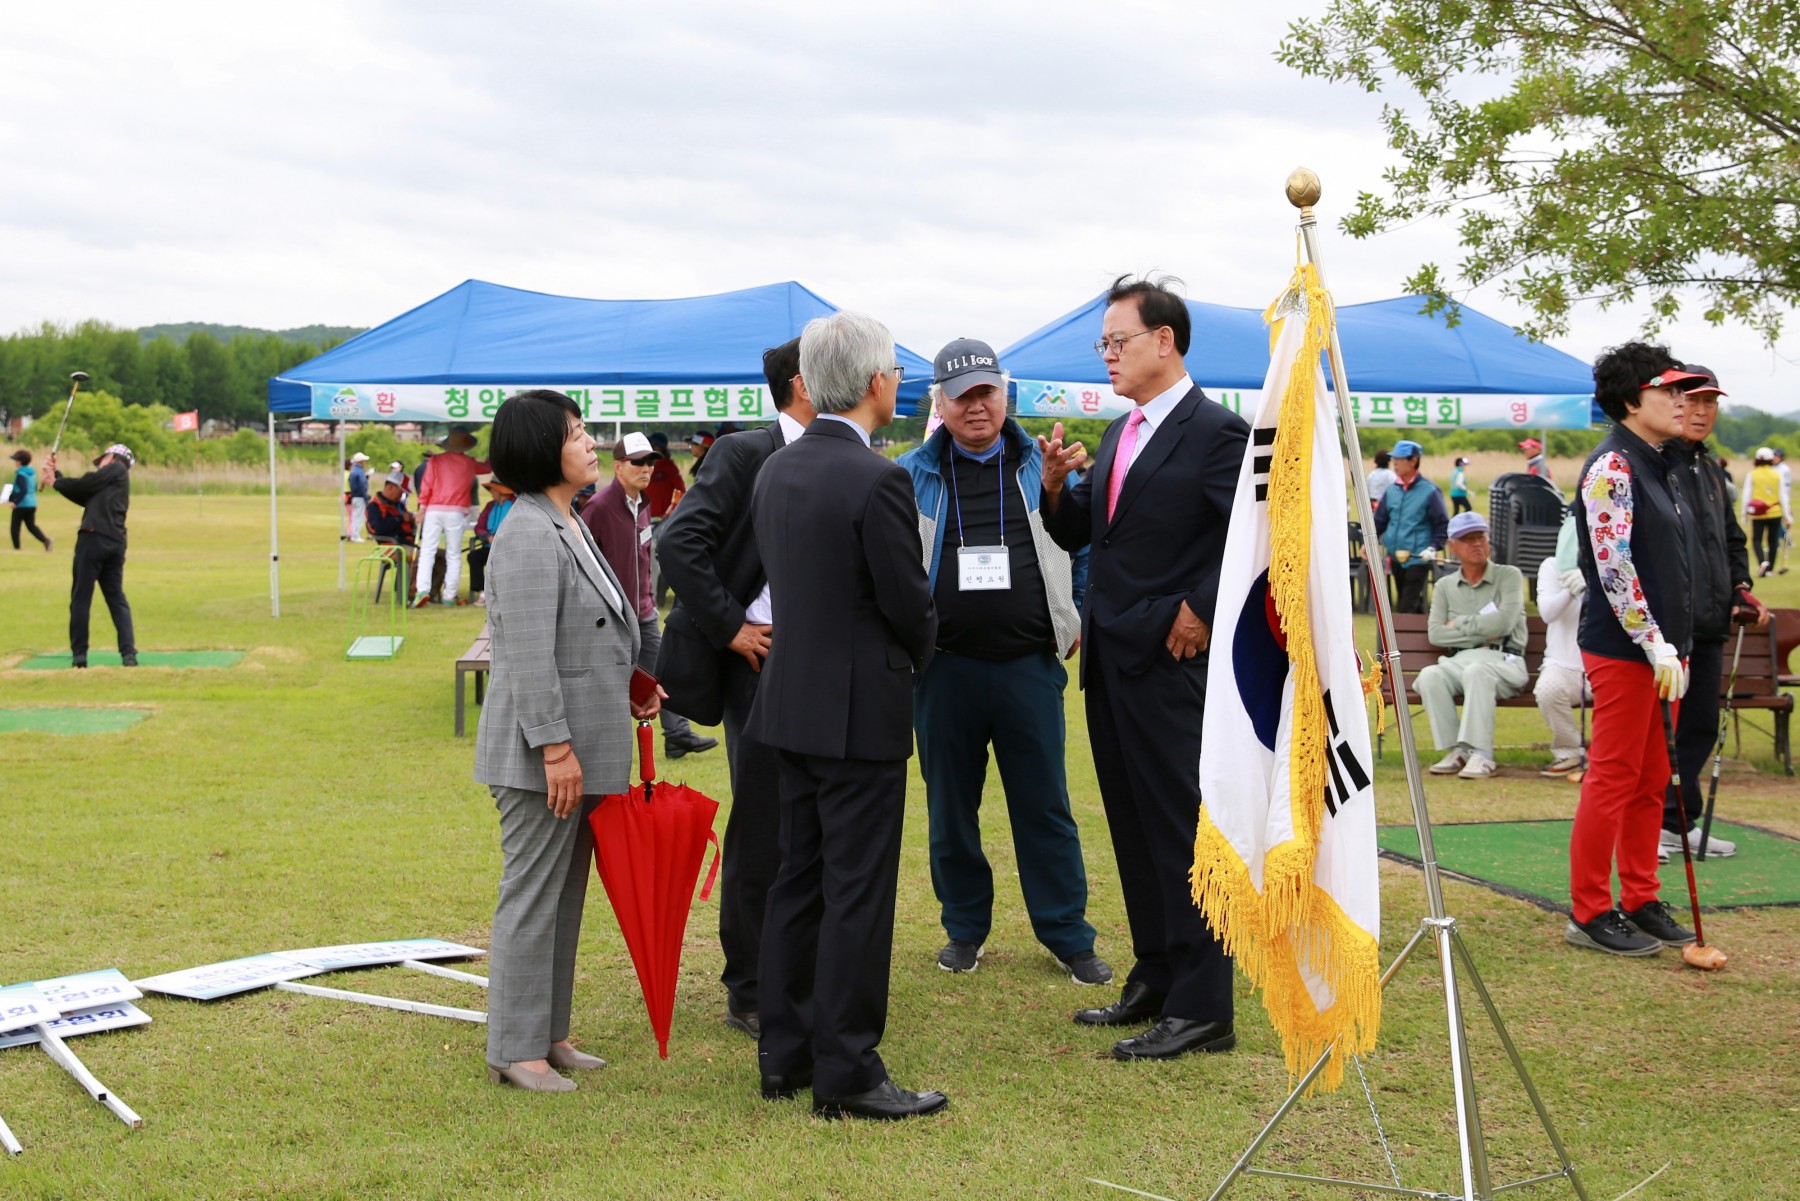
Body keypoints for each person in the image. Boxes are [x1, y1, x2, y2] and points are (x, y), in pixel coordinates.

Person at [1038, 274, 1245, 1061]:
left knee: (1186, 832)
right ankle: (1156, 974)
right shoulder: (1127, 432)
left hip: (1172, 657)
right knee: (1132, 826)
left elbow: (1249, 544)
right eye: (1104, 345)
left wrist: (1196, 605)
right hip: (1113, 658)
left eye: (1118, 341)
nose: (1109, 357)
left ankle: (1204, 1005)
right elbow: (1084, 533)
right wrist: (1058, 489)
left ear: (1166, 340)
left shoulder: (1218, 431)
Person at [745, 311, 944, 1120]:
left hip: (790, 701)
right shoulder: (877, 478)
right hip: (860, 708)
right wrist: (923, 648)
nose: (898, 382)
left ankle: (784, 1053)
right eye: (895, 370)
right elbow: (907, 600)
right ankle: (850, 1069)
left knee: (799, 880)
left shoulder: (777, 471)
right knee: (856, 890)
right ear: (873, 383)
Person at [896, 338, 1109, 985]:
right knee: (950, 809)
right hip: (945, 669)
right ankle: (964, 926)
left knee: (1045, 805)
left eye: (986, 390)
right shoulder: (911, 474)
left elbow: (1083, 546)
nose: (976, 405)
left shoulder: (1040, 464)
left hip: (1027, 667)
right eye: (961, 395)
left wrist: (1073, 616)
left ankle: (1068, 933)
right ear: (941, 402)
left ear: (1005, 392)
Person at [474, 388, 658, 1093]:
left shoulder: (566, 521)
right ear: (539, 450)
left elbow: (591, 633)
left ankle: (546, 1032)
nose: (589, 443)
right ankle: (514, 1049)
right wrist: (554, 746)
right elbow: (523, 653)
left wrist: (633, 682)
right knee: (532, 894)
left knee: (564, 895)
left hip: (579, 747)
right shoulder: (524, 531)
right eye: (576, 432)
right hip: (540, 757)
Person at [655, 336, 816, 1042]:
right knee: (762, 824)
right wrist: (731, 629)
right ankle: (748, 983)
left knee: (810, 821)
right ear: (806, 382)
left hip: (820, 665)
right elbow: (678, 542)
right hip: (758, 665)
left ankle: (800, 966)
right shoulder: (744, 452)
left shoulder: (841, 456)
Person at [1566, 345, 1704, 958]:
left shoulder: (1662, 464)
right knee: (1614, 777)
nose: (1680, 401)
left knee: (1653, 779)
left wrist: (1673, 645)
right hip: (1626, 651)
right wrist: (1652, 642)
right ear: (1631, 401)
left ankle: (1642, 896)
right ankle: (1590, 909)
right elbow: (1613, 566)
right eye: (1667, 390)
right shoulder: (1613, 468)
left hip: (1668, 652)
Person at [1663, 365, 1757, 861]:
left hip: (1712, 621)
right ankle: (1649, 824)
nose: (1701, 411)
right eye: (1692, 400)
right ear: (1671, 402)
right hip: (1669, 625)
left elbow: (1732, 539)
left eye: (1710, 402)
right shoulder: (1658, 464)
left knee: (1699, 724)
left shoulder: (1713, 471)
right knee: (1662, 734)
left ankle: (1678, 822)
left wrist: (1741, 585)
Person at [580, 433, 717, 761]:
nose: (646, 469)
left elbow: (642, 557)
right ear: (618, 467)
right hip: (611, 619)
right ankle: (602, 749)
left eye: (650, 462)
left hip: (643, 611)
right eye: (637, 462)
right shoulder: (598, 508)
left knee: (662, 672)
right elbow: (581, 565)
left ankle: (677, 734)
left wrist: (649, 601)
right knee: (610, 683)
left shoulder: (643, 504)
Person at [1417, 512, 1528, 780]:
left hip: (1505, 661)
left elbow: (1503, 624)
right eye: (1467, 539)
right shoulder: (1445, 586)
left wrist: (1460, 624)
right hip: (1461, 661)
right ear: (1452, 547)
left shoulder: (1508, 576)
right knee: (1430, 675)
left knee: (1477, 671)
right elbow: (1436, 634)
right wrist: (1482, 628)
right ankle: (1458, 751)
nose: (1476, 543)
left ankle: (1482, 754)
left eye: (1481, 536)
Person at [41, 444, 136, 669]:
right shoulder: (111, 483)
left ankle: (80, 656)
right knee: (115, 598)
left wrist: (55, 481)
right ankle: (128, 655)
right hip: (114, 542)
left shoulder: (116, 469)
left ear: (111, 457)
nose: (100, 465)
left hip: (94, 539)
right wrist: (56, 477)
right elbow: (84, 494)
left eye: (102, 460)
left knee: (81, 598)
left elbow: (86, 483)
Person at [1533, 526, 1589, 778]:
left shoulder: (1610, 566)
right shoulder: (1551, 566)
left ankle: (1602, 757)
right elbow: (1547, 612)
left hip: (1600, 664)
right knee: (1547, 690)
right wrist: (1570, 587)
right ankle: (1569, 752)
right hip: (1562, 665)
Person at [413, 427, 490, 607]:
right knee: (454, 553)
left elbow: (427, 486)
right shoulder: (469, 463)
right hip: (456, 511)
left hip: (434, 509)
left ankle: (422, 590)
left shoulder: (435, 461)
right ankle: (450, 595)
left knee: (427, 551)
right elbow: (487, 467)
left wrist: (422, 507)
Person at [1373, 439, 1448, 613]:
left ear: (1413, 461)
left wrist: (1433, 547)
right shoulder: (1392, 490)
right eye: (1394, 460)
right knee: (1411, 604)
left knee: (1406, 606)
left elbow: (1442, 524)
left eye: (1399, 460)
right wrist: (1368, 542)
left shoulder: (1430, 491)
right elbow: (1380, 520)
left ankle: (1403, 639)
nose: (1395, 464)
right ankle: (1420, 634)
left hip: (1418, 557)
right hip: (1396, 556)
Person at [468, 478, 515, 606]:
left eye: (493, 489)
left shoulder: (515, 504)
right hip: (490, 546)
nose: (491, 492)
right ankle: (482, 592)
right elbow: (479, 527)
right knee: (474, 557)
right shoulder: (490, 506)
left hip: (510, 547)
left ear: (501, 491)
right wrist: (488, 537)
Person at [1744, 447, 1787, 577]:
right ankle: (1770, 569)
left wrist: (1744, 514)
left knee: (1757, 540)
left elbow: (1747, 495)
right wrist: (1787, 514)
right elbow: (1783, 496)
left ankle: (1763, 562)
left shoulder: (1752, 474)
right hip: (1775, 512)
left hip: (1758, 513)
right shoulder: (1777, 475)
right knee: (1772, 541)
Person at [8, 448, 51, 551]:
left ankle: (17, 548)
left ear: (19, 462)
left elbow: (23, 489)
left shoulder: (21, 474)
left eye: (16, 460)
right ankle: (45, 540)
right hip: (32, 503)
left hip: (22, 504)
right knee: (31, 526)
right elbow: (34, 488)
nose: (15, 462)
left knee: (15, 527)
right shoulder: (32, 473)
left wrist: (15, 502)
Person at [346, 452, 371, 542]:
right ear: (361, 461)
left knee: (355, 516)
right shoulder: (359, 471)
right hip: (360, 496)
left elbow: (350, 481)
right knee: (358, 517)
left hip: (354, 496)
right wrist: (366, 497)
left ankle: (354, 534)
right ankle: (355, 536)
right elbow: (362, 485)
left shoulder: (353, 471)